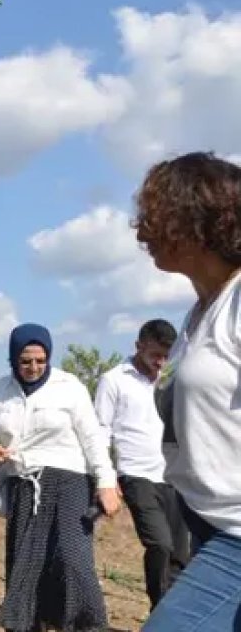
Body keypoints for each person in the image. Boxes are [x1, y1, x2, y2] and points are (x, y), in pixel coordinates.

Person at [132, 152, 241, 631]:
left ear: (203, 221)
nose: (142, 231)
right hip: (204, 520)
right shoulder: (198, 315)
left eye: (158, 217)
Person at [0, 323, 121, 632]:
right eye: (25, 361)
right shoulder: (0, 392)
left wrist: (106, 481)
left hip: (69, 481)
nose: (33, 367)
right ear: (14, 358)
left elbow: (92, 437)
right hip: (24, 482)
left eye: (40, 361)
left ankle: (85, 625)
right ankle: (29, 623)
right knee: (26, 561)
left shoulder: (69, 386)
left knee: (72, 556)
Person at [93, 319, 192, 610]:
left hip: (175, 474)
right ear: (139, 346)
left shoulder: (174, 377)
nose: (161, 362)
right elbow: (100, 431)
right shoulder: (114, 380)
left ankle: (174, 617)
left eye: (166, 356)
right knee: (159, 544)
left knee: (180, 554)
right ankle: (160, 610)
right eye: (155, 355)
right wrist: (106, 480)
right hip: (135, 474)